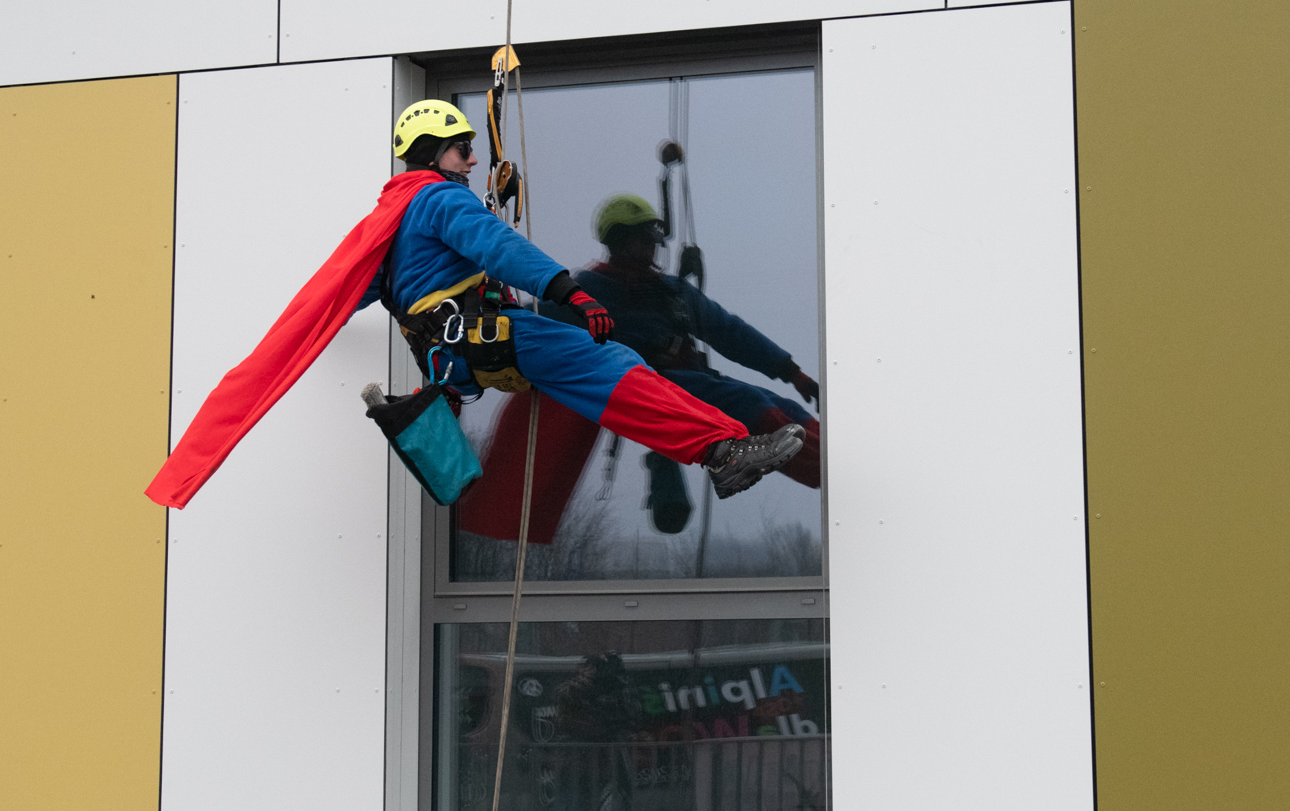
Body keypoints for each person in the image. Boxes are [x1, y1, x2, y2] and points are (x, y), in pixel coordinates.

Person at [145, 101, 804, 510]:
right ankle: (723, 451)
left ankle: (717, 451)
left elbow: (348, 301)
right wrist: (563, 288)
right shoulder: (439, 198)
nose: (471, 156)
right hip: (493, 336)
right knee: (617, 368)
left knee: (605, 374)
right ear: (438, 153)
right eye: (463, 147)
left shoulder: (393, 220)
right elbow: (495, 246)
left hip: (459, 357)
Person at [577, 195, 822, 506]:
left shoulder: (671, 292)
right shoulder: (590, 289)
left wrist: (791, 372)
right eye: (642, 239)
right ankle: (824, 472)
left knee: (780, 405)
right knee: (750, 405)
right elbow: (549, 313)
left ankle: (831, 451)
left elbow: (729, 331)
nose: (651, 246)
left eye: (653, 239)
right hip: (645, 385)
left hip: (691, 380)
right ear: (619, 243)